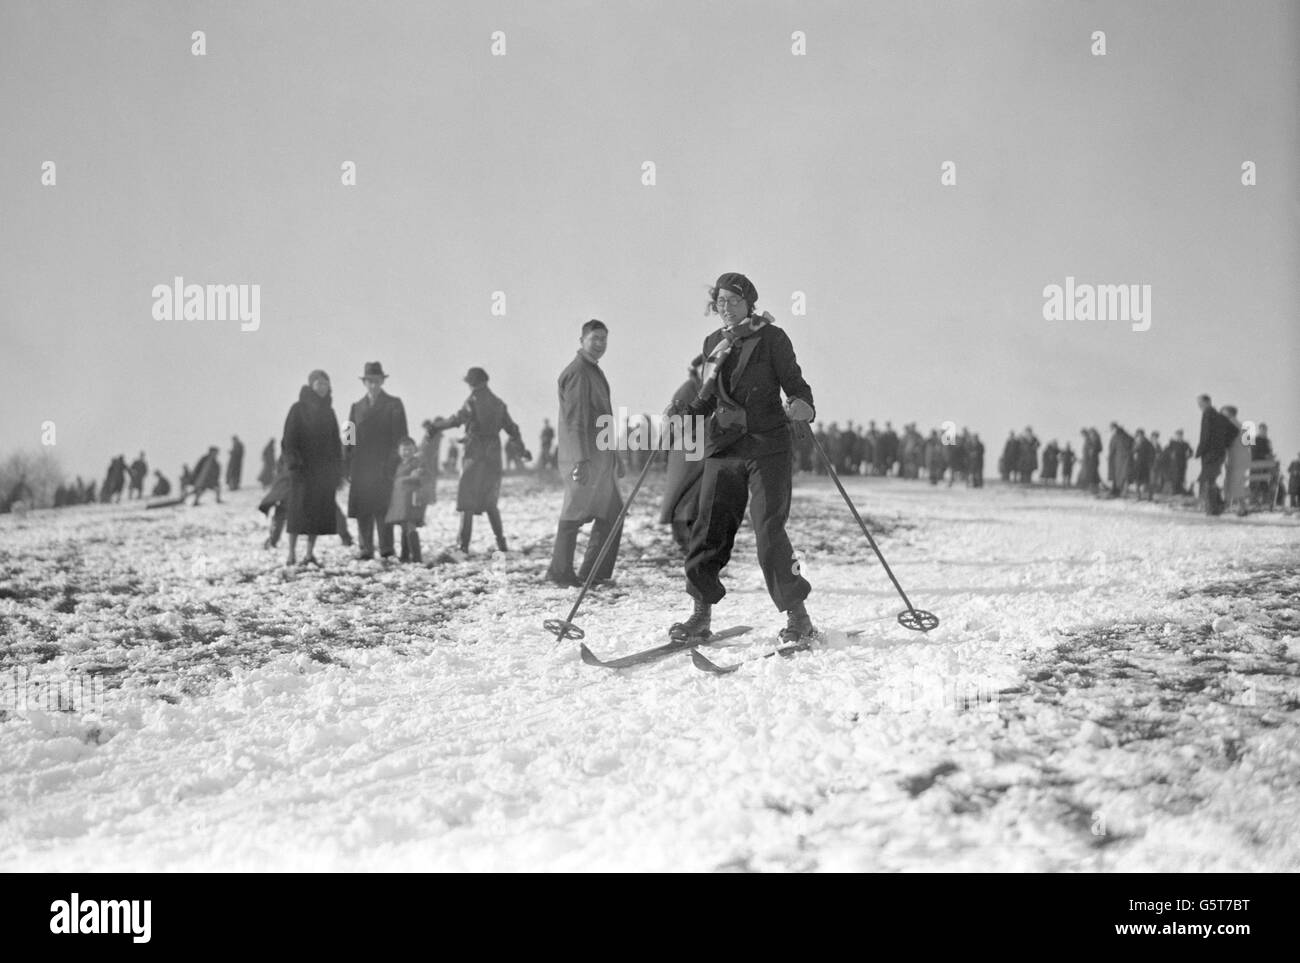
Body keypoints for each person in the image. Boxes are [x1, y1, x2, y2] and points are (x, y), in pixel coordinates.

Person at [666, 272, 817, 643]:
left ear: (749, 302)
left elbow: (797, 387)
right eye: (720, 302)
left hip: (768, 446)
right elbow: (707, 396)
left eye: (733, 301)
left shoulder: (772, 338)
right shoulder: (713, 343)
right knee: (708, 528)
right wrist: (685, 415)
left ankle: (798, 617)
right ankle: (700, 615)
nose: (726, 309)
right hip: (725, 446)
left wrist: (802, 406)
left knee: (768, 530)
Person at [547, 320, 623, 587]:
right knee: (574, 512)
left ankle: (595, 574)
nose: (600, 343)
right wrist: (581, 459)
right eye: (595, 338)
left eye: (604, 338)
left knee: (612, 513)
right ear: (582, 340)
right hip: (584, 459)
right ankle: (559, 572)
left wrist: (615, 456)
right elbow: (575, 421)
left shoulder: (593, 370)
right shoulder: (579, 372)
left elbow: (604, 419)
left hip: (600, 459)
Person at [433, 367, 527, 554]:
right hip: (493, 455)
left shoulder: (472, 401)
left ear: (472, 383)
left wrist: (436, 426)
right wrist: (521, 450)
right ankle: (501, 543)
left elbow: (457, 419)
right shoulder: (499, 403)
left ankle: (463, 545)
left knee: (466, 500)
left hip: (474, 454)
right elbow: (512, 429)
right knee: (490, 502)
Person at [345, 361, 408, 560]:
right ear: (364, 383)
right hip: (361, 467)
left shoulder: (394, 404)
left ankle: (386, 548)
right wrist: (347, 464)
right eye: (370, 381)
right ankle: (365, 548)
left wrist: (392, 464)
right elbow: (348, 439)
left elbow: (401, 437)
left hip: (384, 466)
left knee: (383, 508)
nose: (373, 385)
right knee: (363, 509)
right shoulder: (355, 407)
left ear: (382, 381)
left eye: (377, 381)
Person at [282, 370, 344, 566]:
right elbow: (288, 439)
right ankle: (291, 553)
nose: (322, 387)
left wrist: (337, 471)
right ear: (311, 386)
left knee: (317, 513)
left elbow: (336, 443)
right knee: (296, 513)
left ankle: (309, 553)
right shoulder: (297, 409)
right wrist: (293, 464)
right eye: (318, 383)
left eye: (325, 383)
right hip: (301, 471)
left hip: (323, 473)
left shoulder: (330, 412)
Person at [659, 354, 707, 550]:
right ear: (697, 369)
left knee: (696, 495)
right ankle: (683, 538)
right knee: (681, 494)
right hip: (685, 449)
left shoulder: (708, 389)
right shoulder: (688, 389)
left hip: (701, 449)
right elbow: (672, 421)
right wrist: (665, 450)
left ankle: (692, 538)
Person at [384, 437, 427, 562]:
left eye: (410, 449)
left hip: (411, 500)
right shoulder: (399, 464)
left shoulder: (417, 463)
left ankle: (416, 556)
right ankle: (405, 555)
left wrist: (417, 475)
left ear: (414, 450)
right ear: (399, 451)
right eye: (404, 449)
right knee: (404, 527)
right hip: (400, 501)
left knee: (410, 526)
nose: (407, 452)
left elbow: (423, 475)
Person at [1194, 394, 1236, 515]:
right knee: (1210, 479)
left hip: (1209, 453)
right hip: (1219, 453)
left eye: (1200, 403)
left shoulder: (1208, 414)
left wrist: (1200, 450)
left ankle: (1213, 508)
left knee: (1208, 480)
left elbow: (1205, 435)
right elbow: (1234, 431)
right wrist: (1224, 444)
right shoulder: (1220, 416)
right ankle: (1216, 506)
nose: (1199, 406)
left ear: (1207, 402)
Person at [1220, 405, 1250, 516]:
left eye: (1224, 413)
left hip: (1234, 457)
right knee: (1237, 482)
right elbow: (1248, 445)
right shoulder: (1242, 426)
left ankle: (1229, 505)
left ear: (1230, 413)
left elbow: (1226, 442)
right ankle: (1240, 506)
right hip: (1243, 457)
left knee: (1232, 482)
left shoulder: (1230, 425)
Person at [1167, 429, 1192, 495]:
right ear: (1176, 436)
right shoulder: (1172, 443)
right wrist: (1171, 454)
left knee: (1182, 477)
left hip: (1183, 464)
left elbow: (1191, 452)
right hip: (1174, 464)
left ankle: (1180, 491)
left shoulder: (1185, 444)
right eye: (1178, 435)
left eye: (1180, 435)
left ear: (1182, 436)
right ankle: (1174, 491)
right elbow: (1168, 451)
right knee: (1175, 477)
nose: (1179, 436)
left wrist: (1188, 455)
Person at [1132, 429, 1155, 501]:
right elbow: (1133, 451)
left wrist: (1150, 463)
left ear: (1142, 435)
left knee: (1147, 482)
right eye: (1138, 436)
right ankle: (1138, 497)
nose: (1138, 437)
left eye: (1140, 435)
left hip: (1145, 466)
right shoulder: (1137, 443)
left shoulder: (1147, 443)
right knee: (1137, 481)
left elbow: (1152, 453)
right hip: (1138, 465)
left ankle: (1150, 497)